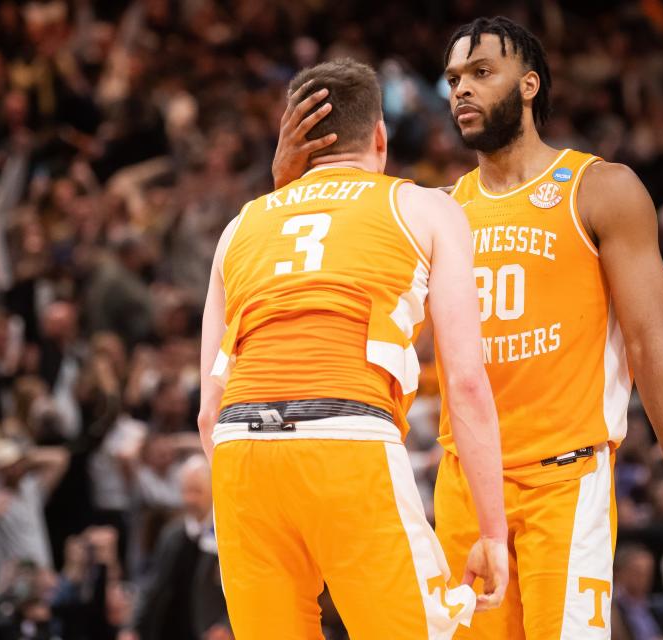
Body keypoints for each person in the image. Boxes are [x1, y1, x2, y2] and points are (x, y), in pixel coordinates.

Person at [273, 16, 663, 639]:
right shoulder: (435, 210)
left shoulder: (602, 190)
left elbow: (654, 349)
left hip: (564, 483)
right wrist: (287, 191)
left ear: (529, 85)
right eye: (454, 78)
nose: (462, 89)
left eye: (482, 73)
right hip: (466, 485)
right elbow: (318, 265)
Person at [198, 59, 509, 640]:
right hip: (348, 440)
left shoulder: (240, 227)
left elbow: (207, 411)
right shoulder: (426, 207)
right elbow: (465, 382)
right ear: (381, 137)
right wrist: (491, 534)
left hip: (240, 455)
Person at [121, 455, 230, 640]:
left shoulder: (226, 535)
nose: (190, 499)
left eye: (197, 492)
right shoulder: (173, 534)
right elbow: (153, 585)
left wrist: (226, 626)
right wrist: (132, 628)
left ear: (213, 489)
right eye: (186, 491)